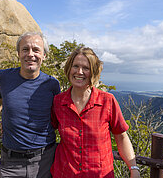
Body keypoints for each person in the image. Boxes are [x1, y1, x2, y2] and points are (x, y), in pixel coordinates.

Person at [0, 32, 61, 178]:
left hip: (44, 160)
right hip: (10, 162)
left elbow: (59, 117)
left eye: (36, 50)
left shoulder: (52, 84)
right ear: (18, 53)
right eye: (25, 49)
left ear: (44, 56)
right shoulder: (4, 78)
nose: (30, 54)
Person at [51, 47, 140, 178]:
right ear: (69, 68)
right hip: (64, 173)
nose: (79, 72)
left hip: (100, 174)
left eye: (86, 68)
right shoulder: (58, 102)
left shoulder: (107, 101)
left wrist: (134, 168)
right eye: (75, 66)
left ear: (93, 72)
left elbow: (121, 137)